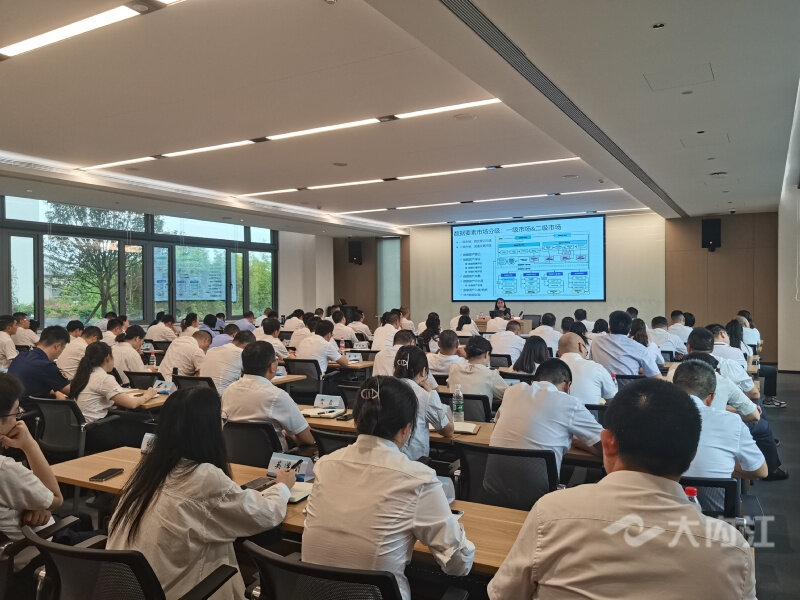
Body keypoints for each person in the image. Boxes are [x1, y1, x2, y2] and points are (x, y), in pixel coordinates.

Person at [487, 378, 755, 600]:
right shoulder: (732, 550)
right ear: (692, 455)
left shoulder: (550, 513)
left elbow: (504, 594)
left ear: (608, 443)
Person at [108, 387, 296, 600]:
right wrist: (282, 486)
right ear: (208, 429)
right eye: (221, 419)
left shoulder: (148, 471)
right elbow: (265, 515)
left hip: (126, 591)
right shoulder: (203, 478)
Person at [302, 376, 474, 600]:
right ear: (406, 429)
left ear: (356, 421)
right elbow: (458, 564)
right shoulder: (418, 479)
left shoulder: (325, 465)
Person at [672, 360, 767, 509]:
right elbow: (760, 471)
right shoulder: (732, 422)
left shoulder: (648, 418)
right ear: (711, 398)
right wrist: (725, 467)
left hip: (660, 518)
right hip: (717, 520)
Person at [490, 358, 603, 473]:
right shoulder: (570, 403)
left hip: (493, 481)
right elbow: (608, 446)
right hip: (539, 484)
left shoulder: (511, 392)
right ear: (567, 386)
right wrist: (581, 443)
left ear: (533, 382)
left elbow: (495, 428)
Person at [0, 373, 64, 546]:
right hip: (38, 549)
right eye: (16, 412)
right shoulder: (5, 470)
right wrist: (30, 445)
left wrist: (36, 504)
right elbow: (55, 499)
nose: (17, 420)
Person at [222, 341, 314, 448]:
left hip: (234, 453)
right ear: (272, 366)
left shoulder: (229, 390)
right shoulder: (277, 396)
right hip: (273, 457)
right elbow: (309, 439)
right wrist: (290, 435)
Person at [70, 342, 154, 428]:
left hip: (81, 427)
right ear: (108, 358)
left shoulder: (84, 375)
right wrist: (149, 394)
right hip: (95, 427)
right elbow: (132, 404)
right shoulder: (103, 378)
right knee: (147, 419)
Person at [393, 346, 453, 460]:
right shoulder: (425, 396)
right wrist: (432, 394)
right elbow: (448, 431)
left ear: (395, 367)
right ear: (423, 371)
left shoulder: (382, 388)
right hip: (413, 463)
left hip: (383, 461)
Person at [727, 318, 780, 407]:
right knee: (771, 371)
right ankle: (768, 400)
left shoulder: (720, 348)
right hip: (742, 379)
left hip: (725, 380)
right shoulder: (747, 346)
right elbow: (758, 345)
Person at [8, 326, 71, 399]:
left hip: (13, 403)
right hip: (33, 405)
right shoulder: (46, 366)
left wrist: (56, 392)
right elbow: (72, 391)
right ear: (57, 346)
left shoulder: (21, 356)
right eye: (63, 349)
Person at [590, 311, 660, 377]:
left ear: (609, 328)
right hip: (630, 386)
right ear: (630, 330)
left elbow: (592, 363)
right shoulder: (641, 349)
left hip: (602, 385)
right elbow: (657, 377)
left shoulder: (596, 341)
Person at [558, 332, 617, 404]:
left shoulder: (547, 369)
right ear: (580, 346)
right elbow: (613, 400)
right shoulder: (596, 368)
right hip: (589, 411)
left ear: (558, 352)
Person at [447, 336, 508, 403]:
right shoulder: (491, 375)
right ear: (486, 354)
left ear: (467, 352)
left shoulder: (453, 369)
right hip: (480, 410)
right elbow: (508, 394)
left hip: (456, 409)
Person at [373, 330, 438, 388]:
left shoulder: (379, 355)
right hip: (407, 395)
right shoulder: (415, 356)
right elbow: (433, 386)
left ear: (394, 343)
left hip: (381, 394)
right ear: (412, 343)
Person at [199, 330, 255, 395]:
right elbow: (254, 375)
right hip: (223, 397)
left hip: (202, 394)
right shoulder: (241, 353)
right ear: (246, 346)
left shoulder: (211, 350)